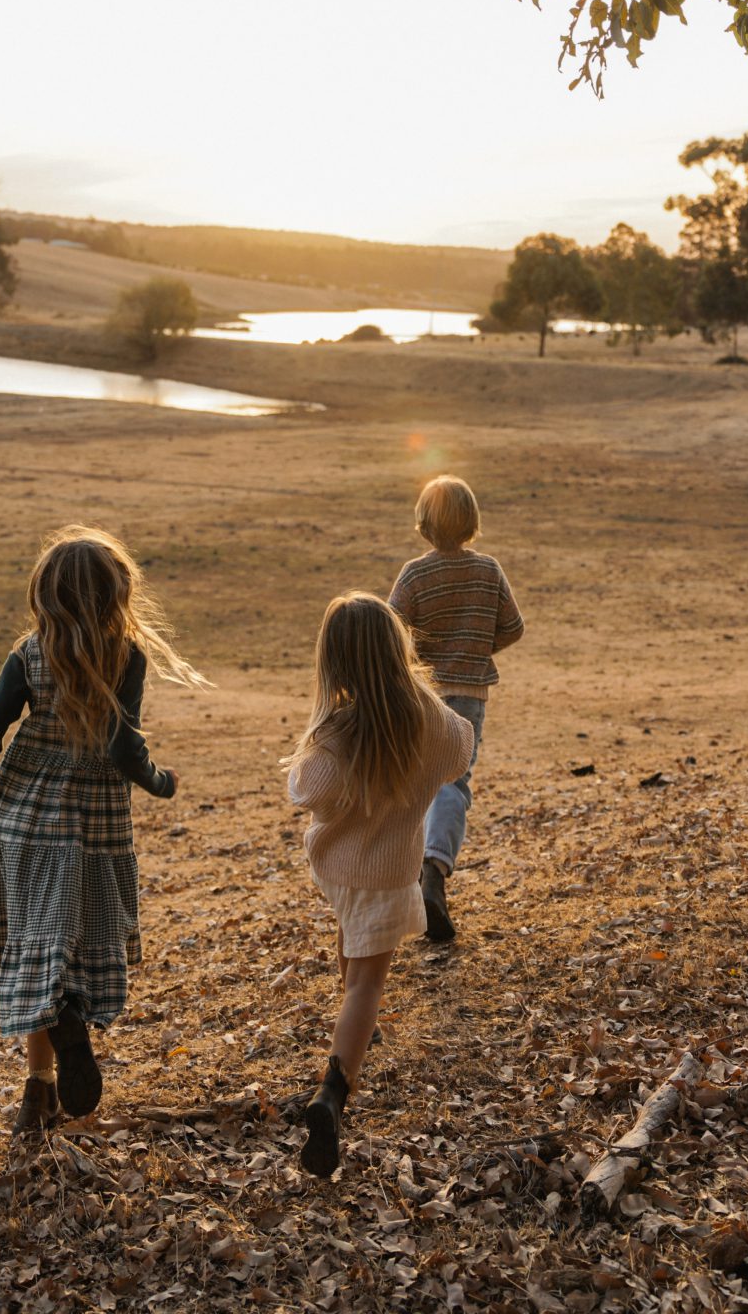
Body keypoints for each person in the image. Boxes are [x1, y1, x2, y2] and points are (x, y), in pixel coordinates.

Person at [0, 525, 205, 1134]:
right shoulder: (126, 657)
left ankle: (39, 1088)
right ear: (118, 596)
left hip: (22, 818)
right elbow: (122, 744)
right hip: (92, 825)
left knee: (34, 945)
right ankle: (64, 1032)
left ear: (47, 595)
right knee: (70, 947)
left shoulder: (29, 654)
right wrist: (158, 781)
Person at [287, 592, 472, 1177]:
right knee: (368, 981)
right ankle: (333, 1092)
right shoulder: (431, 720)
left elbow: (304, 791)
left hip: (337, 870)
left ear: (335, 663)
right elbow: (461, 753)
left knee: (353, 943)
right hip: (387, 873)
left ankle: (354, 1038)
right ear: (399, 647)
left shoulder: (341, 731)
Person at [388, 475, 524, 944]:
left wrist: (419, 662)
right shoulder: (489, 570)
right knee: (453, 780)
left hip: (422, 693)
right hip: (468, 694)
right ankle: (433, 870)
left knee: (415, 779)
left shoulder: (414, 574)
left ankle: (407, 881)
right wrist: (476, 650)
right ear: (471, 522)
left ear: (424, 525)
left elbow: (392, 632)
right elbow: (513, 626)